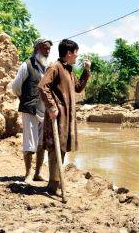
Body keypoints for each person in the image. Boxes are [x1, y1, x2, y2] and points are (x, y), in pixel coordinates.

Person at [38, 39, 91, 195]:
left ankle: (56, 181)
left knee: (62, 148)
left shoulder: (68, 69)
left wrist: (86, 71)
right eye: (76, 53)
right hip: (58, 116)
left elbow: (78, 88)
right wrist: (52, 107)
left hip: (67, 116)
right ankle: (53, 185)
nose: (77, 56)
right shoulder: (55, 67)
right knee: (56, 149)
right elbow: (42, 86)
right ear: (69, 53)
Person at [12, 38, 52, 183]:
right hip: (30, 110)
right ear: (37, 48)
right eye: (45, 48)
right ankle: (28, 174)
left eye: (49, 49)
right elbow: (15, 87)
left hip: (44, 111)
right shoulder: (27, 65)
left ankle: (38, 173)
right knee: (29, 143)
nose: (47, 51)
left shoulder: (48, 68)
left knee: (41, 144)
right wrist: (25, 98)